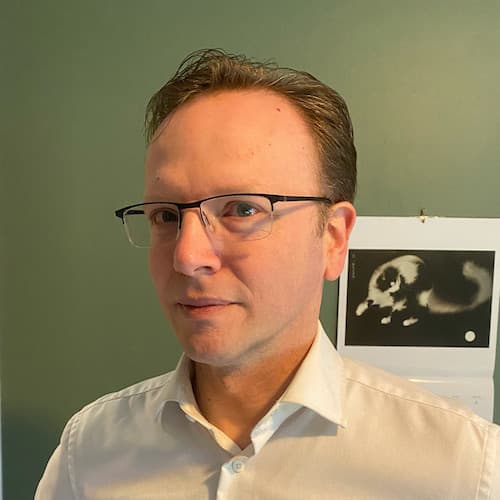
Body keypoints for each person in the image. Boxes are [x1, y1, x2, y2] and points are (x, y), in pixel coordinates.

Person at [36, 49, 499, 499]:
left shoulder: (464, 469)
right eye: (166, 216)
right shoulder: (89, 455)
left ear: (333, 238)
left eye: (242, 209)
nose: (187, 256)